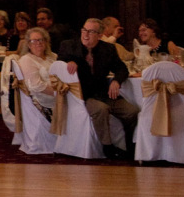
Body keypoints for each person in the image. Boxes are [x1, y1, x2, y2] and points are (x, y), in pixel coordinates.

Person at [57, 18, 139, 159]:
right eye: (84, 30)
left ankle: (130, 146)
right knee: (101, 109)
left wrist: (116, 81)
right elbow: (59, 62)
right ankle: (107, 147)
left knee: (132, 111)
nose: (85, 34)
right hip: (82, 96)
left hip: (103, 93)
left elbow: (122, 69)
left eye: (91, 32)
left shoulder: (108, 49)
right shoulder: (69, 45)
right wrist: (68, 62)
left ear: (100, 35)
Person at [17, 27, 57, 119]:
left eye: (41, 40)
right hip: (42, 101)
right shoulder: (26, 60)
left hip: (60, 95)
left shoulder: (53, 57)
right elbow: (36, 85)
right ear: (28, 44)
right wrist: (58, 93)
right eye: (34, 41)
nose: (38, 43)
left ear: (46, 42)